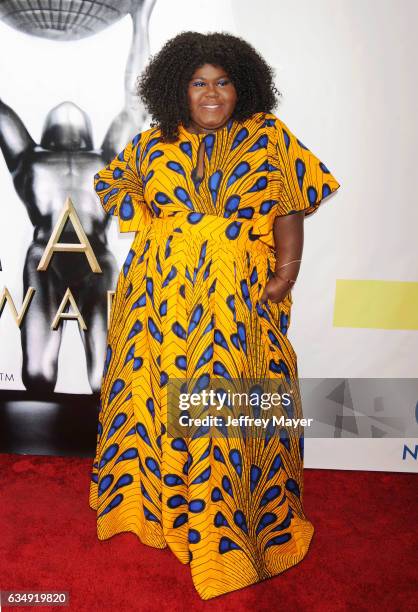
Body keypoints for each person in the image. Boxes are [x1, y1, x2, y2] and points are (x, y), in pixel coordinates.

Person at [88, 31, 340, 600]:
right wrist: (154, 231)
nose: (210, 93)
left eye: (222, 82)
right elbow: (122, 192)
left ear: (241, 86)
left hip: (235, 295)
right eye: (198, 82)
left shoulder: (268, 137)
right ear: (177, 89)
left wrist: (286, 274)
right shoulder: (154, 143)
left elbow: (291, 206)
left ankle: (230, 522)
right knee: (155, 397)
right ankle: (157, 512)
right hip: (160, 298)